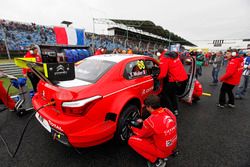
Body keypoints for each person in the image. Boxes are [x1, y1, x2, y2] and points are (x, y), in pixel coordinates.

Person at [128, 94, 177, 167]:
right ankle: (163, 154)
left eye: (146, 106)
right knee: (155, 134)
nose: (145, 108)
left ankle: (157, 160)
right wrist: (144, 123)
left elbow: (141, 134)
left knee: (131, 140)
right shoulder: (168, 111)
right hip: (172, 146)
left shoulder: (150, 121)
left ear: (150, 107)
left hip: (163, 151)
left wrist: (132, 127)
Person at [158, 51, 188, 116]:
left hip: (173, 80)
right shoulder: (175, 56)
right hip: (182, 79)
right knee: (173, 95)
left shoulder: (164, 58)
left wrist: (157, 78)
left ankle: (170, 112)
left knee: (165, 95)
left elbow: (163, 74)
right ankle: (175, 110)